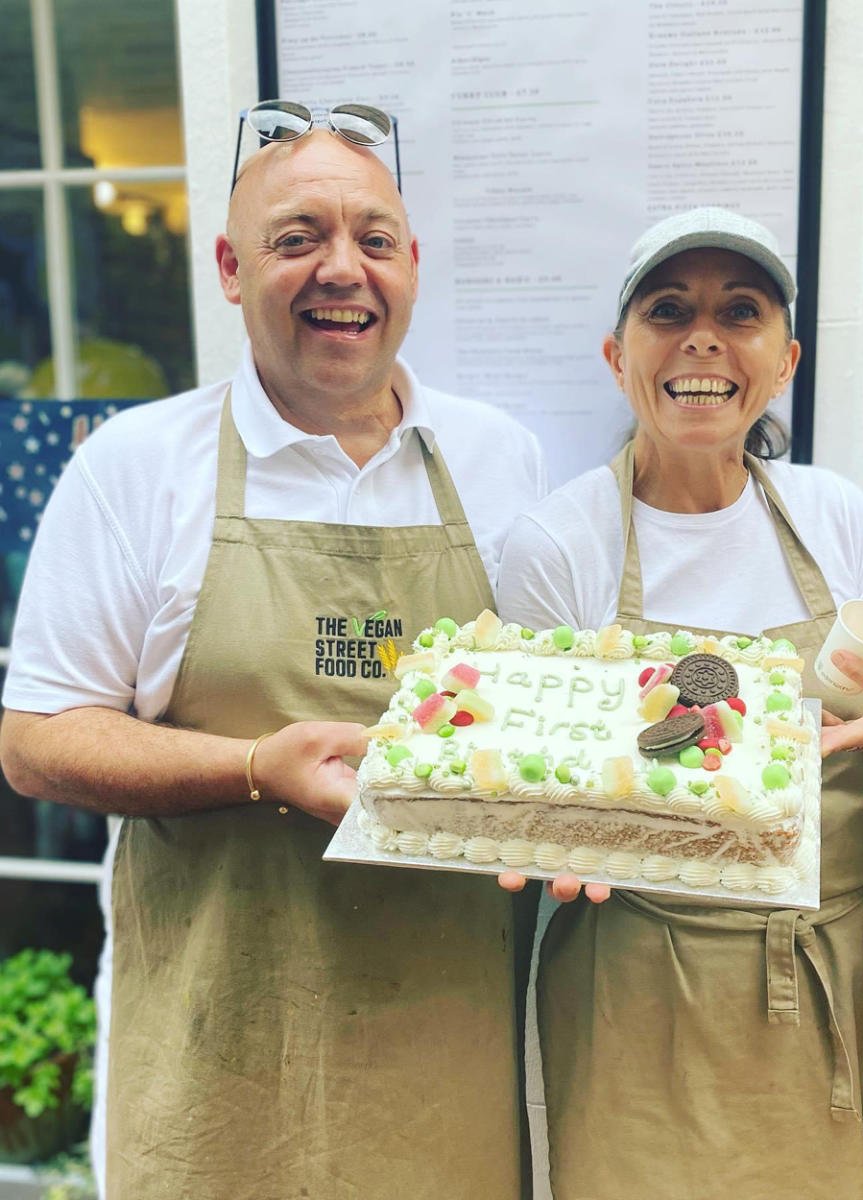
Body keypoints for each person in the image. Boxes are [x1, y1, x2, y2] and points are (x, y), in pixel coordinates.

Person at [0, 123, 547, 1200]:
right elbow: (35, 742)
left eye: (374, 238)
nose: (342, 267)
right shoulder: (133, 468)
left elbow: (539, 706)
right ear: (230, 267)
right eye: (298, 236)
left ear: (412, 268)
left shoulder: (501, 457)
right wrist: (256, 769)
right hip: (224, 1041)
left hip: (455, 1035)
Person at [496, 207, 863, 1198]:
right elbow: (532, 787)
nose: (703, 335)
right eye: (670, 309)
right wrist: (551, 836)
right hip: (640, 992)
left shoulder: (832, 516)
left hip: (839, 972)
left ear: (783, 361)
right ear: (619, 356)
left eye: (739, 311)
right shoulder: (557, 548)